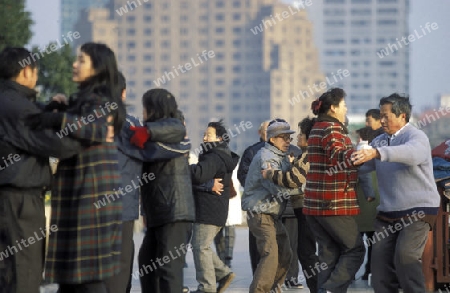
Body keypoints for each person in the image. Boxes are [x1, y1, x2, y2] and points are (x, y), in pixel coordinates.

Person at [24, 42, 126, 292]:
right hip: (81, 193)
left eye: (81, 60)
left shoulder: (100, 99)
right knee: (72, 278)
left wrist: (59, 117)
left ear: (98, 67)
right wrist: (62, 109)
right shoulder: (84, 98)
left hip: (90, 196)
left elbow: (97, 128)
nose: (74, 64)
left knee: (87, 277)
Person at [0, 47, 84, 293]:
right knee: (22, 275)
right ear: (27, 71)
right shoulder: (17, 106)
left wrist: (49, 111)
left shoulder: (11, 102)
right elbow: (58, 143)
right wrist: (91, 130)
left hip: (13, 199)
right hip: (18, 201)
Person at [352, 93, 440, 293]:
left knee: (406, 256)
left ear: (402, 116)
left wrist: (377, 153)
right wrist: (350, 162)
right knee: (380, 267)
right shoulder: (381, 141)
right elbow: (364, 165)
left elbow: (412, 154)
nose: (381, 120)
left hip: (418, 210)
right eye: (380, 115)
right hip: (388, 213)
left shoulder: (416, 136)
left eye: (386, 115)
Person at [124, 88, 195, 293]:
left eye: (145, 107)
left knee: (168, 270)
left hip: (174, 211)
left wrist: (146, 132)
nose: (143, 112)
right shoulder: (156, 136)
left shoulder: (172, 129)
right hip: (159, 213)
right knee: (147, 263)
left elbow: (177, 128)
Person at [304, 88, 365, 293]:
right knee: (355, 249)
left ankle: (325, 289)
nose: (346, 108)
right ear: (333, 108)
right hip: (333, 201)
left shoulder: (317, 127)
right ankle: (331, 289)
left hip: (315, 202)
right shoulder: (331, 129)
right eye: (343, 105)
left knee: (328, 253)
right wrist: (359, 154)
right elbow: (338, 155)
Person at [242, 118, 301, 293]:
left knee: (285, 253)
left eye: (289, 138)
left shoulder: (279, 156)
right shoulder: (267, 157)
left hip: (271, 213)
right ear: (272, 139)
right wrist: (303, 189)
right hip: (260, 212)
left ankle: (274, 288)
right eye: (284, 137)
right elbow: (275, 188)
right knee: (271, 254)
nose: (288, 141)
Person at [262, 117, 319, 293]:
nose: (296, 138)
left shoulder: (309, 155)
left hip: (306, 208)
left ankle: (319, 287)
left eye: (301, 134)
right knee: (305, 251)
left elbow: (293, 180)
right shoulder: (305, 155)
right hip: (303, 208)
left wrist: (271, 173)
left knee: (306, 252)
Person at [190, 120, 239, 293]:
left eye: (208, 135)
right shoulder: (222, 156)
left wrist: (185, 166)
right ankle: (224, 274)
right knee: (202, 246)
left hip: (207, 209)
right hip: (216, 210)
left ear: (219, 138)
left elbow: (197, 175)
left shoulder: (213, 156)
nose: (204, 138)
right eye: (204, 135)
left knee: (200, 247)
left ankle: (207, 287)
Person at [237, 121, 270, 274]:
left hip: (279, 205)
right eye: (267, 130)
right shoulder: (251, 152)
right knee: (257, 241)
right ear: (260, 133)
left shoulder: (286, 150)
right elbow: (242, 175)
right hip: (257, 203)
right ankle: (258, 276)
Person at [353, 126, 380, 281]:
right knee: (373, 243)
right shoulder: (377, 153)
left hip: (363, 204)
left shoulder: (363, 151)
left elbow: (364, 175)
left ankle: (352, 273)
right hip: (375, 204)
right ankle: (369, 271)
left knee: (355, 244)